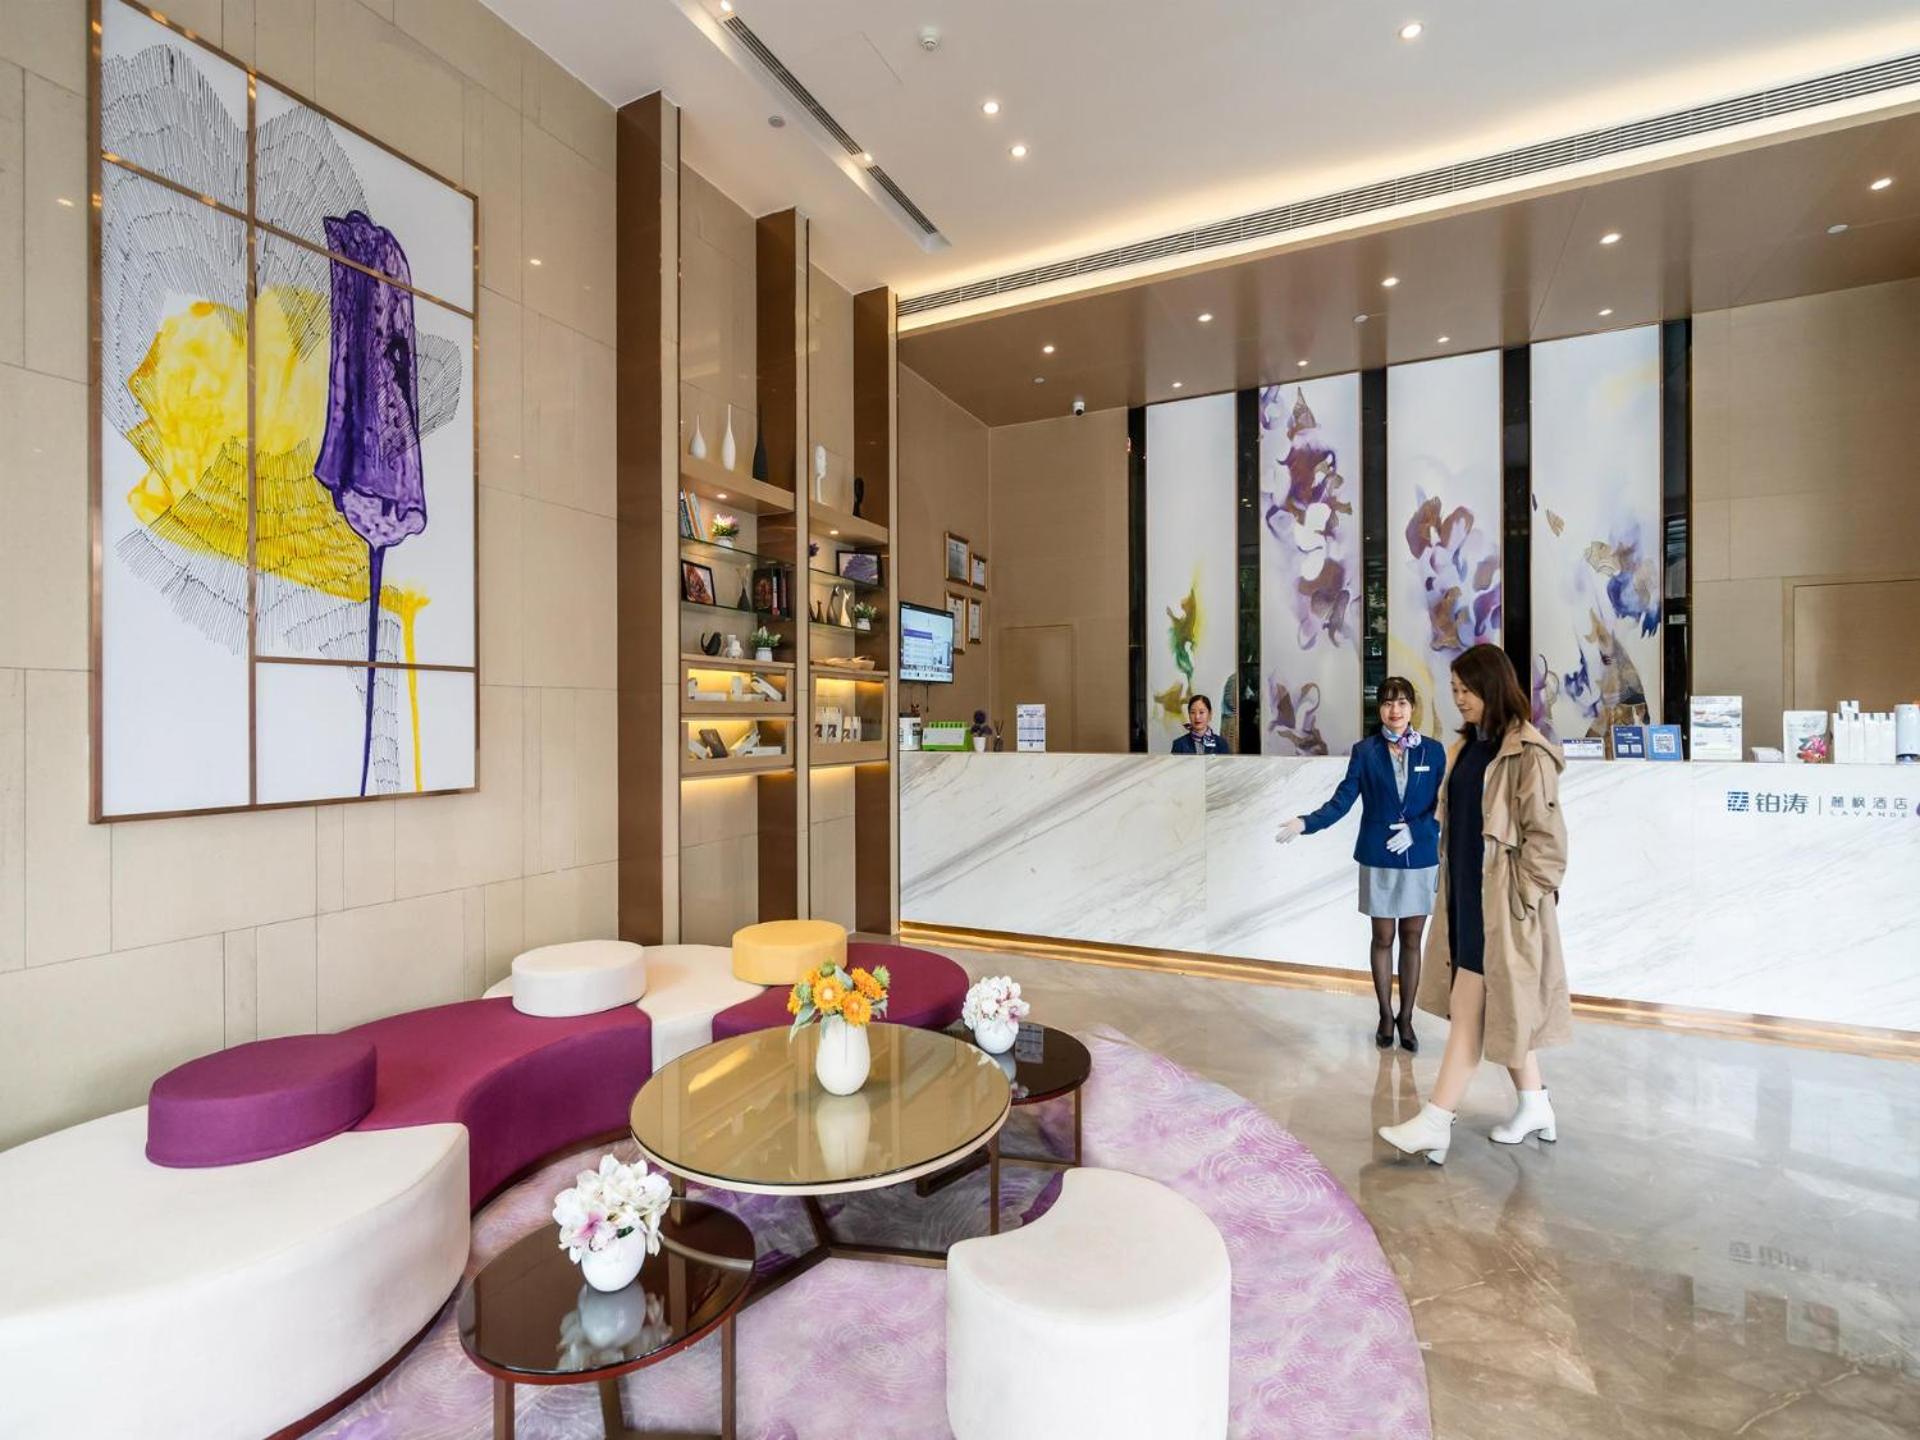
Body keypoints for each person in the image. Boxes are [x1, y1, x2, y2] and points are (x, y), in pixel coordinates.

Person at [1378, 644, 1570, 1163]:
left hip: (1501, 906)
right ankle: (1535, 1104)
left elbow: (1548, 845)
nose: (1459, 698)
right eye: (1454, 689)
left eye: (1467, 689)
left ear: (1492, 687)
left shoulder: (1527, 754)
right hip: (1464, 895)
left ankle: (1436, 1121)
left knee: (1470, 1010)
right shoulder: (1465, 748)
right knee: (1502, 1007)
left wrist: (1520, 898)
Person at [1275, 677, 1442, 1051]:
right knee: (1383, 938)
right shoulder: (1365, 751)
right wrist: (1306, 822)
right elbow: (1342, 801)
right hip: (1378, 856)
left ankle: (1406, 1018)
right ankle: (1385, 1014)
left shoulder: (1433, 752)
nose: (1394, 710)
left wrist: (1417, 831)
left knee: (1412, 938)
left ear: (1412, 707)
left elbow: (1441, 806)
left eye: (1401, 703)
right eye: (1387, 703)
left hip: (1419, 857)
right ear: (1379, 708)